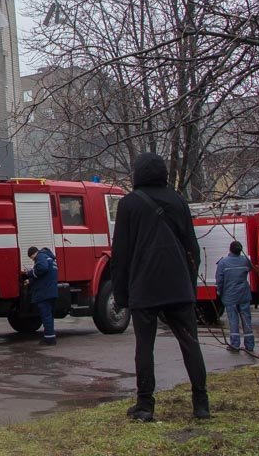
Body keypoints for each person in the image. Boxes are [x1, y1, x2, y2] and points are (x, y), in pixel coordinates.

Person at [112, 152, 210, 422]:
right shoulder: (179, 201)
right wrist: (189, 284)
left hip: (144, 286)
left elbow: (121, 254)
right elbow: (192, 247)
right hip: (179, 285)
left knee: (145, 347)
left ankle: (145, 405)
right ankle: (201, 404)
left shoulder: (129, 204)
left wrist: (121, 295)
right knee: (190, 344)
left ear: (138, 174)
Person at [216, 241, 254, 353]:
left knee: (233, 320)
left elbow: (219, 280)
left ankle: (235, 344)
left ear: (230, 249)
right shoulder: (245, 261)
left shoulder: (223, 262)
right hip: (244, 294)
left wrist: (220, 292)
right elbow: (250, 269)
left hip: (230, 296)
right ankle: (250, 345)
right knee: (246, 319)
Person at [25, 246, 59, 345]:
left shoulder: (40, 256)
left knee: (46, 316)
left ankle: (49, 339)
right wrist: (30, 281)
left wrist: (30, 272)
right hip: (52, 291)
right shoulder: (50, 258)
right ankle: (51, 336)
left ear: (33, 254)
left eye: (32, 258)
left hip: (44, 293)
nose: (33, 260)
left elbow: (42, 268)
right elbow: (45, 275)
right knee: (49, 316)